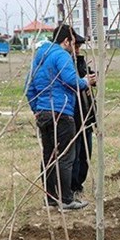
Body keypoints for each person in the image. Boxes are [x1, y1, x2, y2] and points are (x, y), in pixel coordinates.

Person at [25, 24, 96, 210]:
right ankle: (66, 199)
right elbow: (72, 81)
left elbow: (28, 87)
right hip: (62, 112)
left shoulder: (39, 57)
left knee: (48, 156)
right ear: (66, 41)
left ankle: (50, 199)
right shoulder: (62, 55)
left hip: (44, 114)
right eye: (74, 42)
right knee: (65, 156)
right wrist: (86, 81)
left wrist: (37, 109)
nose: (74, 47)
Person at [70, 34, 96, 199]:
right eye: (75, 46)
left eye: (79, 47)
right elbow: (72, 83)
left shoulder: (80, 62)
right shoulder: (65, 64)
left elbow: (88, 77)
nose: (77, 50)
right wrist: (83, 81)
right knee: (75, 154)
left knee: (86, 154)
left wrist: (93, 78)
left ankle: (79, 184)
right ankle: (72, 186)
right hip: (74, 114)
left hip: (86, 113)